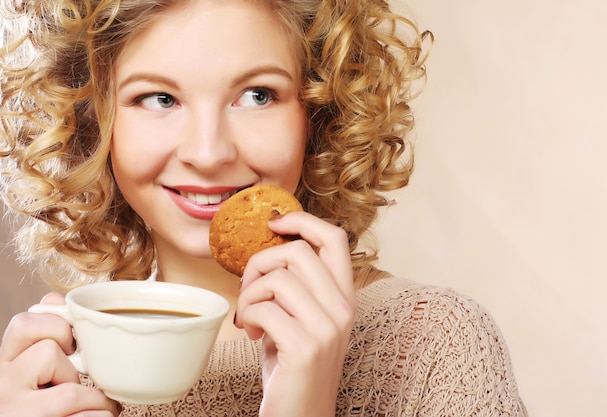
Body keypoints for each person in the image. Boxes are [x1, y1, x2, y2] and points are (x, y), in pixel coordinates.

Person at [0, 0, 527, 416]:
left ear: (320, 110)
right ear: (93, 121)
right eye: (159, 99)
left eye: (256, 95)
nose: (208, 154)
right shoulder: (56, 374)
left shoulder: (432, 347)